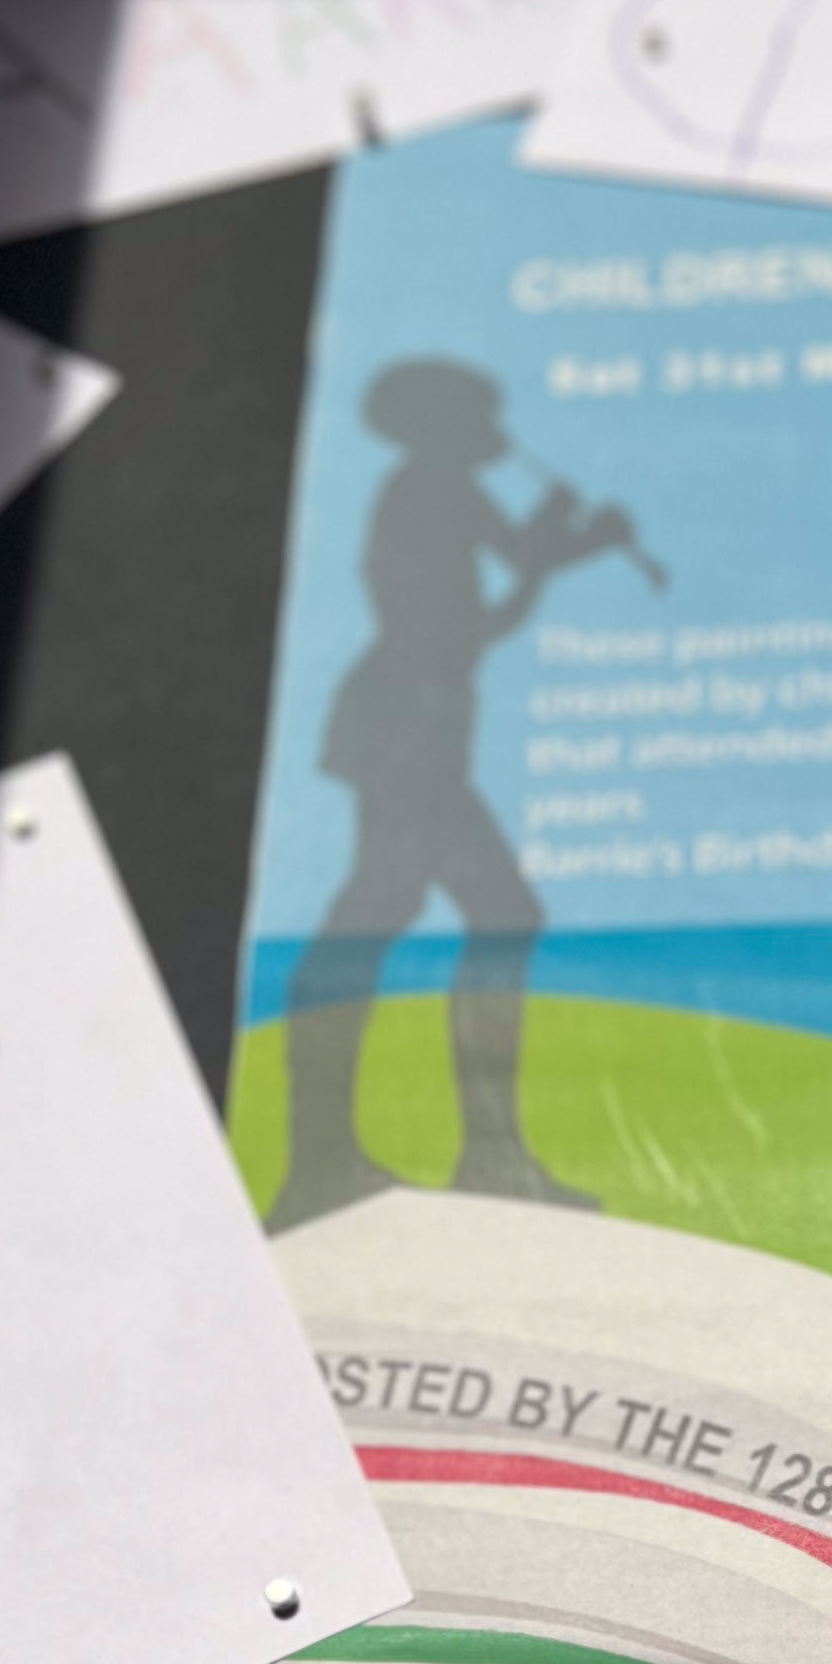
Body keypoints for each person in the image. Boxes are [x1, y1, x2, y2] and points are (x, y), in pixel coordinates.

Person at [271, 359, 646, 1225]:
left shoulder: (445, 490)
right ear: (443, 424)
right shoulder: (424, 493)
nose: (497, 431)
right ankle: (391, 1160)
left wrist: (563, 541)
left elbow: (506, 580)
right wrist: (564, 543)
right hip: (407, 729)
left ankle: (369, 1160)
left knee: (399, 913)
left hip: (420, 727)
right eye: (482, 415)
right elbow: (465, 623)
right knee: (459, 913)